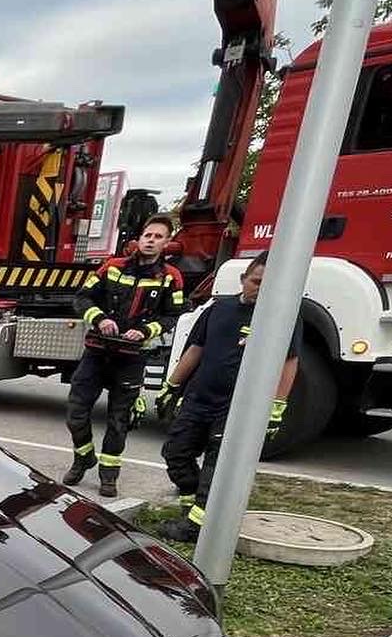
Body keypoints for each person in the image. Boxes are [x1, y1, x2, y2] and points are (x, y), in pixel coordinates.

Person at [157, 252, 297, 544]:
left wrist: (277, 407)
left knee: (215, 464)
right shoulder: (218, 309)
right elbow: (195, 349)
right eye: (257, 281)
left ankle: (196, 526)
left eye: (269, 284)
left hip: (236, 406)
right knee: (175, 452)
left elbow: (289, 363)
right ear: (243, 280)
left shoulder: (281, 317)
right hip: (199, 398)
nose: (261, 288)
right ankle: (193, 506)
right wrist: (171, 386)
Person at [63, 215, 185, 498]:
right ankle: (83, 458)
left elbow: (172, 315)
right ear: (139, 238)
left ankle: (109, 475)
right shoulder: (112, 267)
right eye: (148, 235)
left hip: (131, 358)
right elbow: (82, 298)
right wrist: (100, 319)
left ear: (167, 243)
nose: (151, 240)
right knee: (75, 413)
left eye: (158, 236)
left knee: (119, 421)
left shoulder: (170, 278)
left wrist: (144, 331)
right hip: (97, 351)